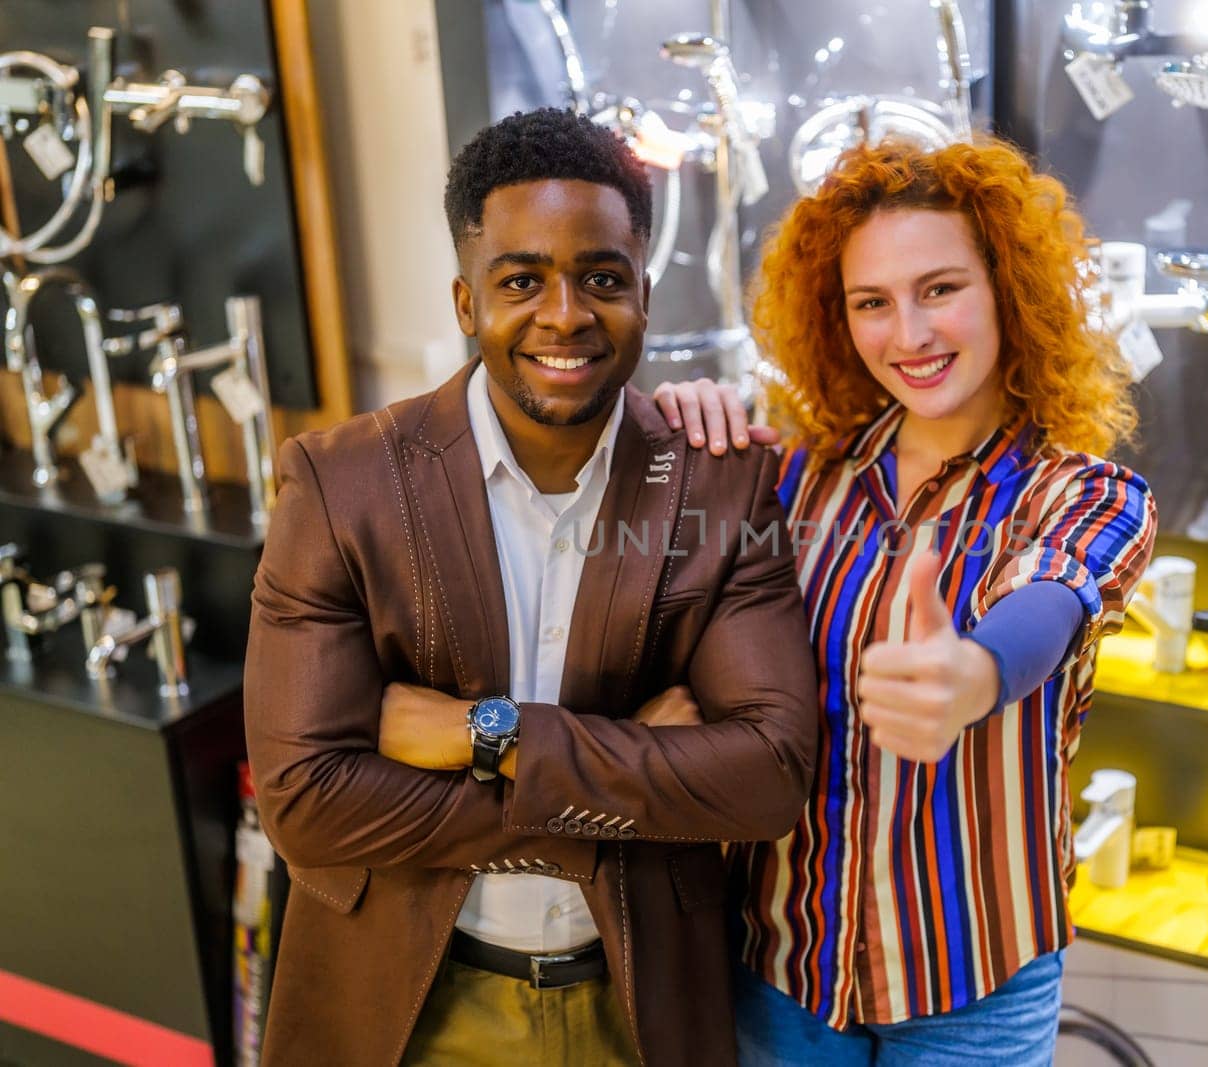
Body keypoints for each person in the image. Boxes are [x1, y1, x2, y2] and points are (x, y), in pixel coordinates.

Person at [243, 108, 818, 1067]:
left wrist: (485, 735)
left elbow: (768, 778)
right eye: (522, 281)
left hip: (637, 999)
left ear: (644, 294)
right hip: (408, 1003)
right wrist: (631, 781)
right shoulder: (340, 484)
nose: (565, 315)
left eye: (601, 278)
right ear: (468, 303)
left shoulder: (721, 486)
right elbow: (305, 799)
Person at [653, 137, 1157, 1065]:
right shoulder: (797, 483)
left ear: (1007, 287)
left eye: (940, 289)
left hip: (973, 988)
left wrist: (972, 673)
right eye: (871, 303)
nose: (910, 335)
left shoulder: (1084, 493)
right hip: (780, 971)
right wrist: (675, 426)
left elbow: (1052, 595)